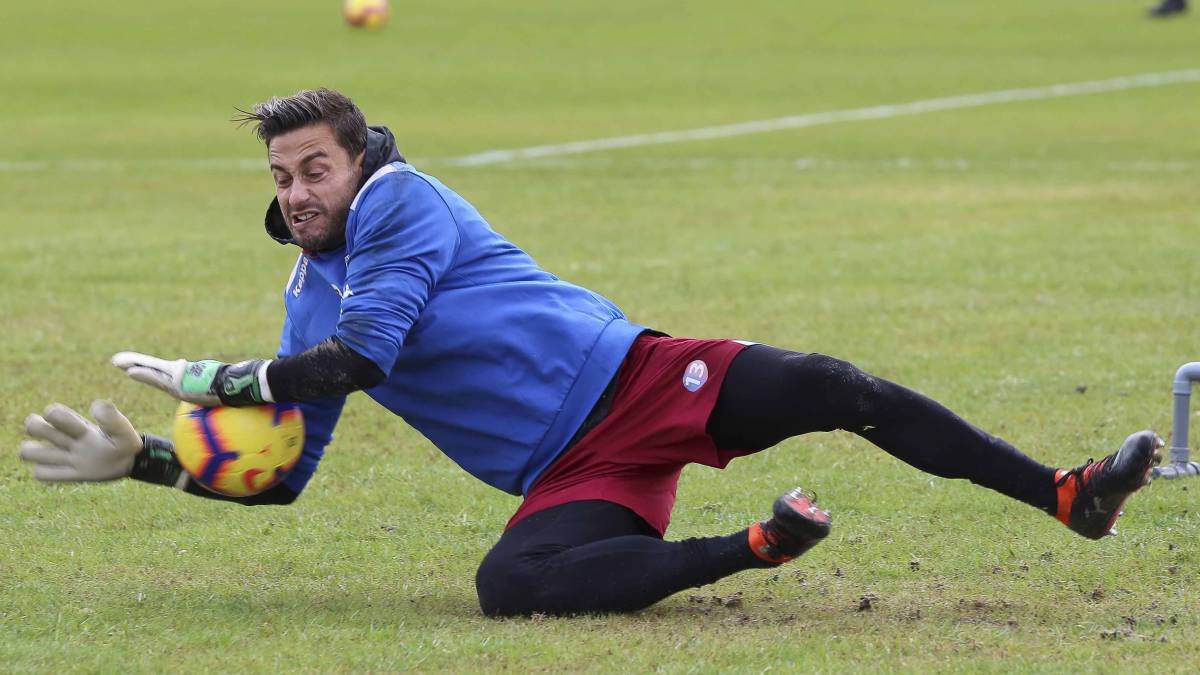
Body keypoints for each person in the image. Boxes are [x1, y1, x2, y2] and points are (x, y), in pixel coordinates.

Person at [19, 88, 1163, 617]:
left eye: (314, 166)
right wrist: (151, 466)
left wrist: (215, 381)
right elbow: (286, 474)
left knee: (830, 386)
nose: (298, 190)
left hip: (640, 379)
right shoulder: (304, 304)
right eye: (281, 175)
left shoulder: (403, 201)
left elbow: (365, 358)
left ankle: (1065, 495)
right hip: (575, 474)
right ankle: (753, 548)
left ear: (359, 160)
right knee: (508, 587)